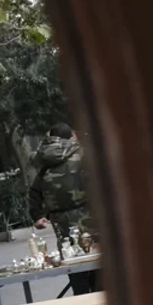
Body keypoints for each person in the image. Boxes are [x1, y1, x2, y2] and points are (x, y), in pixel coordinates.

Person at [29, 123, 99, 295]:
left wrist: (37, 216)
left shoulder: (45, 159)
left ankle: (80, 299)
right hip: (88, 214)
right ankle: (98, 299)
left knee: (70, 258)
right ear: (71, 137)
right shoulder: (82, 154)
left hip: (60, 220)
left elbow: (35, 190)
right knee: (96, 259)